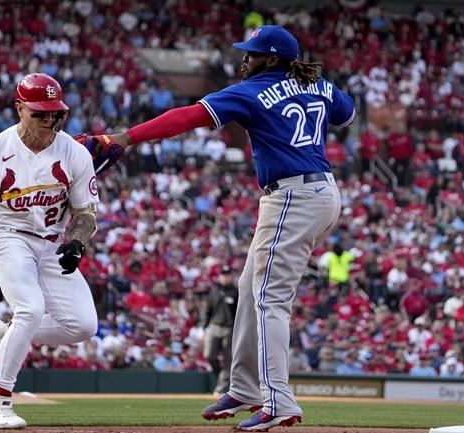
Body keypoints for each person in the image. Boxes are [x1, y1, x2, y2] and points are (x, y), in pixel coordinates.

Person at [78, 25, 354, 431]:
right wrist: (315, 86)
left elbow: (187, 116)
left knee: (270, 299)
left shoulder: (251, 91)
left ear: (272, 59)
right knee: (250, 288)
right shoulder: (316, 84)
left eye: (253, 53)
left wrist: (126, 136)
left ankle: (279, 400)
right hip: (319, 192)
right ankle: (244, 387)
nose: (245, 59)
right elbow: (346, 114)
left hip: (294, 197)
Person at [0, 73, 99, 429]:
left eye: (55, 114)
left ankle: (0, 331)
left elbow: (86, 213)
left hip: (51, 244)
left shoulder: (73, 152)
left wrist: (78, 241)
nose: (49, 121)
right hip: (8, 238)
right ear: (19, 108)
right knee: (30, 308)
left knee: (83, 326)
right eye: (40, 113)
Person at [203, 265, 238, 395]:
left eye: (228, 274)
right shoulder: (214, 291)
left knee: (228, 358)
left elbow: (238, 313)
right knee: (210, 355)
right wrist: (204, 327)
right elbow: (208, 311)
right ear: (219, 276)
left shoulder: (235, 292)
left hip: (229, 327)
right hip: (214, 326)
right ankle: (221, 377)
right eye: (223, 274)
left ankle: (222, 387)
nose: (226, 277)